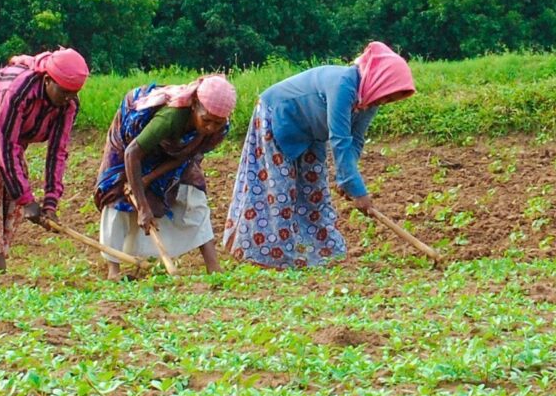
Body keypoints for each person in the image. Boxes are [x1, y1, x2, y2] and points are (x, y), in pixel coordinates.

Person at [225, 41, 415, 269]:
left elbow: (356, 141)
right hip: (278, 117)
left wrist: (347, 180)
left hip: (311, 133)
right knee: (280, 190)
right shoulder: (344, 84)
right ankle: (267, 256)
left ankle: (323, 254)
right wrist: (356, 189)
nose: (384, 102)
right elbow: (340, 139)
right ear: (380, 79)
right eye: (387, 96)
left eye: (390, 99)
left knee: (314, 191)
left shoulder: (369, 100)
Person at [0, 47, 89, 276]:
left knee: (12, 195)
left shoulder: (68, 104)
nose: (67, 99)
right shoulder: (19, 91)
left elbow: (57, 152)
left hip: (11, 134)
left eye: (73, 94)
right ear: (47, 80)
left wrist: (50, 203)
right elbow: (8, 149)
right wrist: (28, 201)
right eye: (63, 92)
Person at [92, 74, 238, 277]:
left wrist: (148, 178)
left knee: (193, 195)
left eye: (217, 123)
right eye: (206, 120)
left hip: (173, 150)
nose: (210, 128)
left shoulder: (218, 130)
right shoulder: (171, 117)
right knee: (117, 195)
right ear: (195, 104)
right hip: (132, 142)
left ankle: (213, 266)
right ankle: (113, 270)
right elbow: (132, 153)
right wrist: (143, 207)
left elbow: (186, 155)